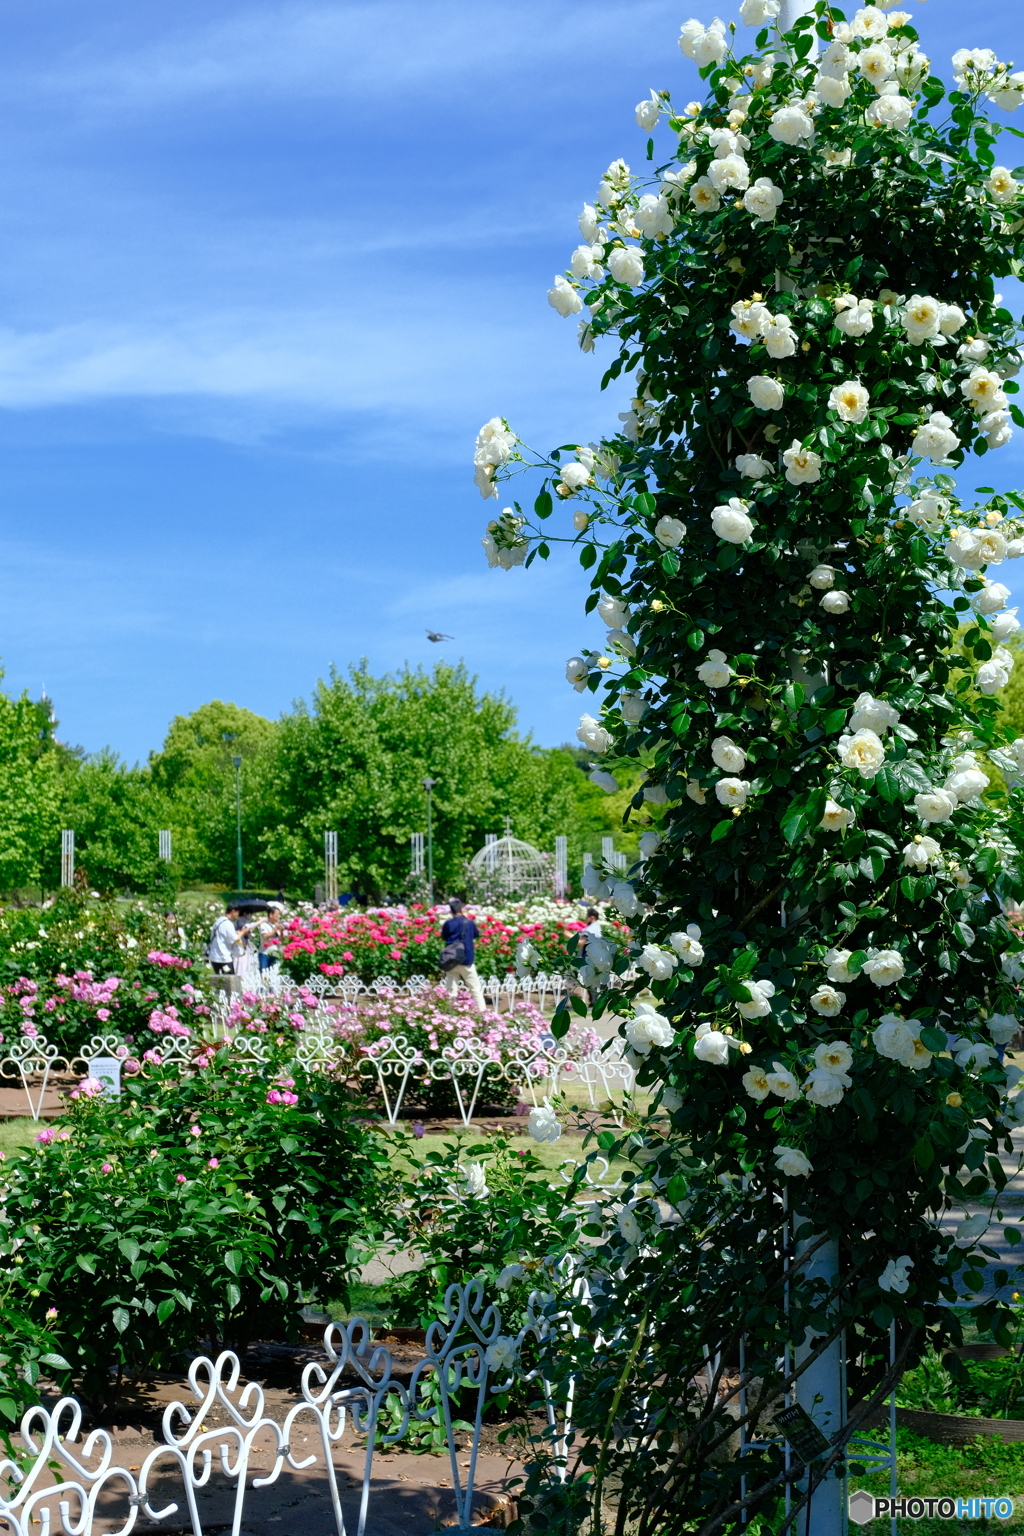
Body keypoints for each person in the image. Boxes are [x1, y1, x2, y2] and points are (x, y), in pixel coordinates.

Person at [439, 898, 485, 1011]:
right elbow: (476, 934)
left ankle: (449, 1014)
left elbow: (444, 937)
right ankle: (482, 1013)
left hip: (451, 959)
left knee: (451, 990)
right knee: (475, 989)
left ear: (451, 911)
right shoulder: (469, 923)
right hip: (466, 959)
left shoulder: (448, 923)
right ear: (462, 909)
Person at [207, 905, 248, 974]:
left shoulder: (219, 920)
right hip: (223, 957)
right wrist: (243, 932)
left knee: (219, 980)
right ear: (233, 911)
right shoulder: (228, 923)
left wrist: (235, 933)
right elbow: (234, 940)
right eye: (237, 912)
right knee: (229, 981)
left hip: (214, 956)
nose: (237, 915)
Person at [258, 903, 284, 973]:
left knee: (273, 973)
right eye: (277, 915)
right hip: (265, 953)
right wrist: (274, 930)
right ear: (271, 915)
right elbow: (265, 936)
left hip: (274, 952)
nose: (279, 916)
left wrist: (281, 931)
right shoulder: (263, 925)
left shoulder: (277, 925)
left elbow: (281, 940)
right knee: (264, 973)